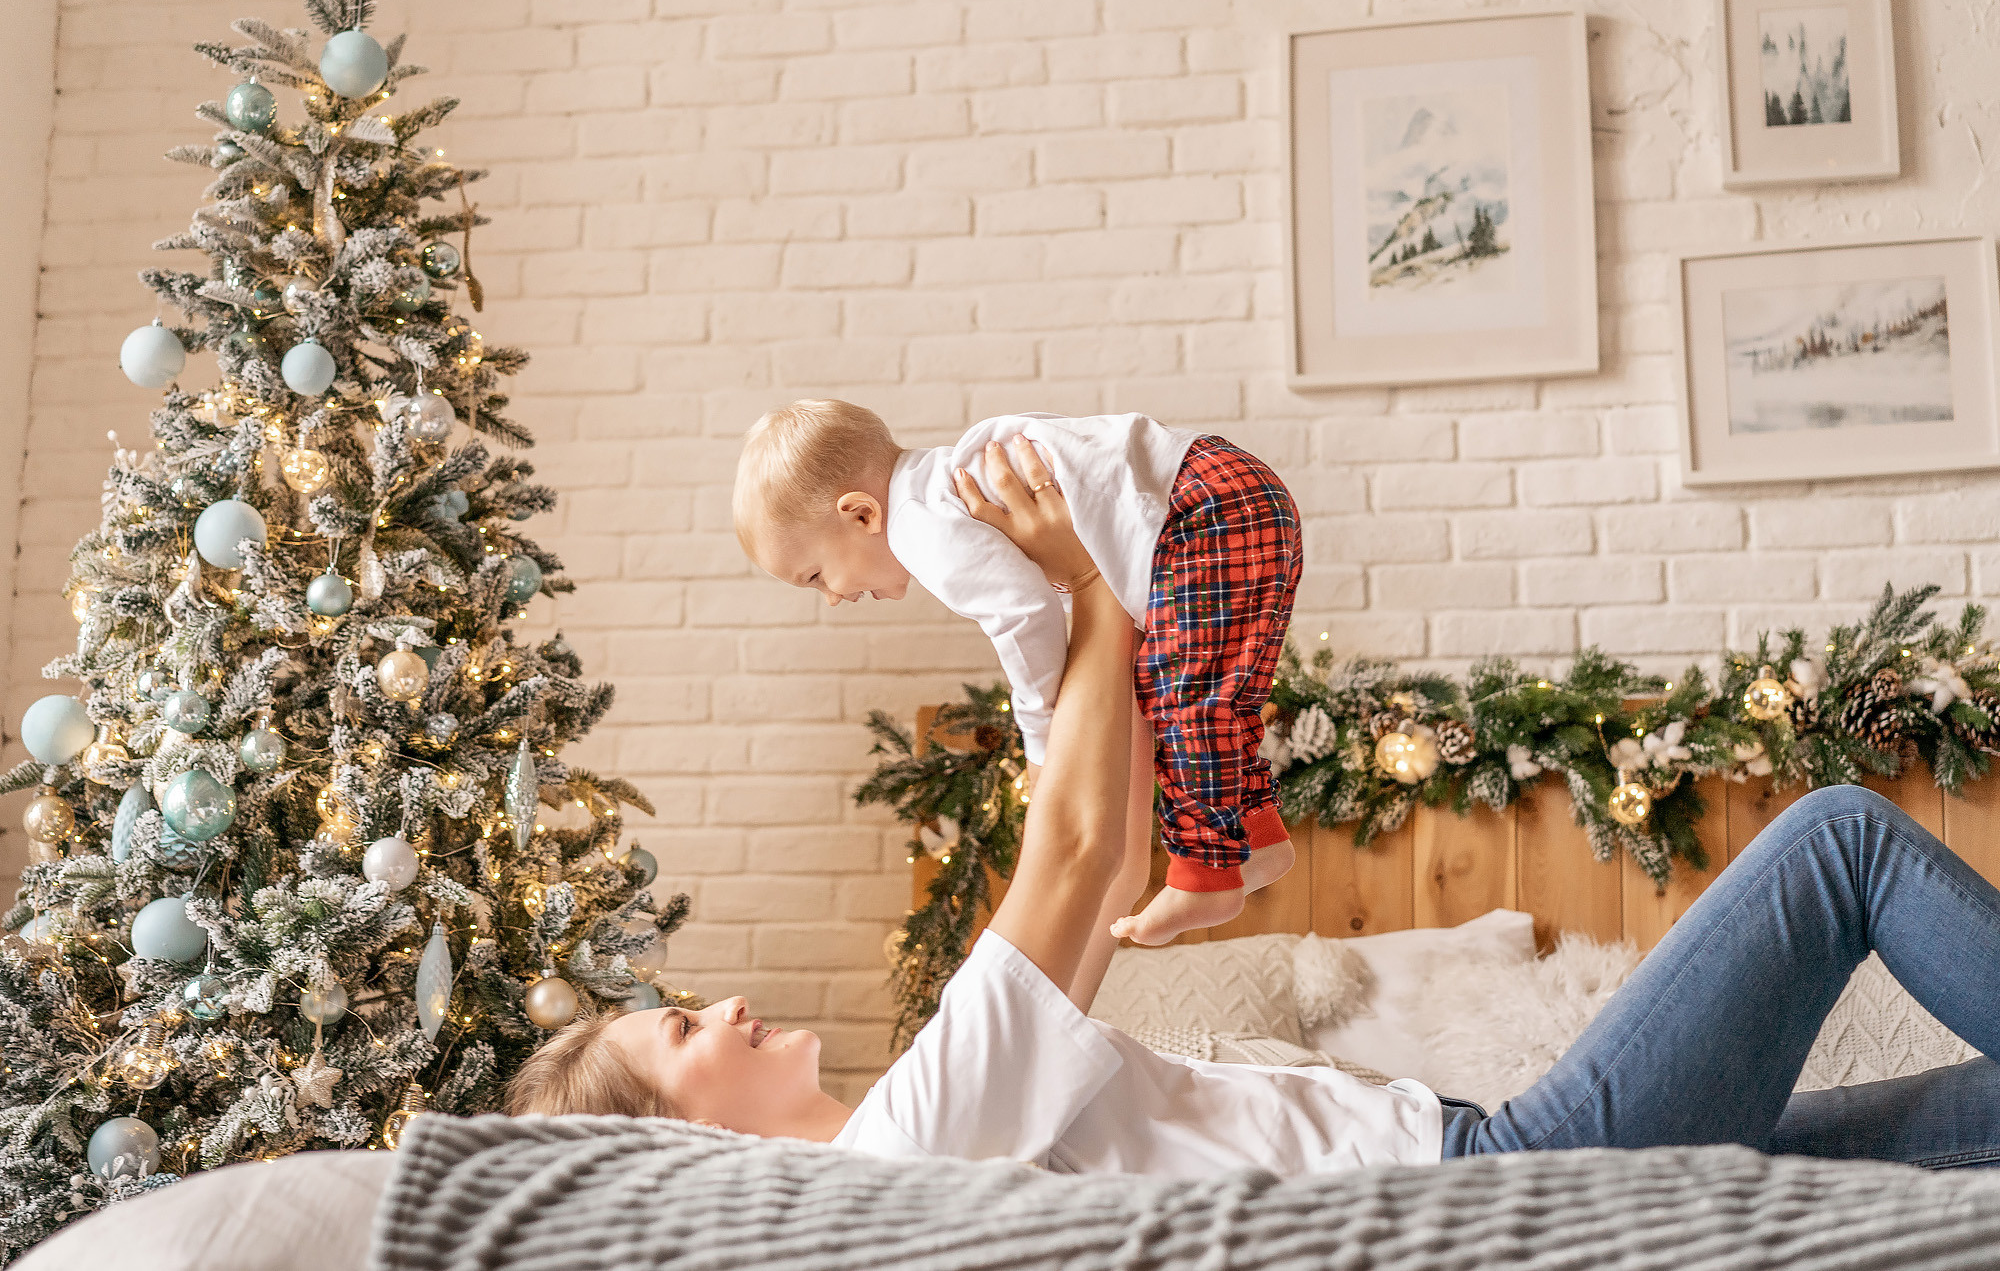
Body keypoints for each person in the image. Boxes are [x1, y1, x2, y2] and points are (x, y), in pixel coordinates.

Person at [511, 437, 2000, 1174]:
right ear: (673, 1142)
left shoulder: (931, 1123)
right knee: (1834, 841)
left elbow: (1098, 877)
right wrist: (1095, 576)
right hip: (1484, 1179)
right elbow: (1083, 848)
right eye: (681, 1033)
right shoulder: (902, 1145)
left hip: (1470, 1141)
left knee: (1963, 1116)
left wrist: (1132, 665)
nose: (724, 1009)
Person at [731, 399, 1299, 946]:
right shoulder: (948, 479)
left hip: (1202, 513)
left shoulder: (920, 525)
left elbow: (1024, 615)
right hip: (1228, 491)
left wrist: (1040, 736)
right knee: (1216, 691)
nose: (831, 597)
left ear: (861, 514)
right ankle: (1256, 837)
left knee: (1186, 697)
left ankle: (1205, 874)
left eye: (815, 576)